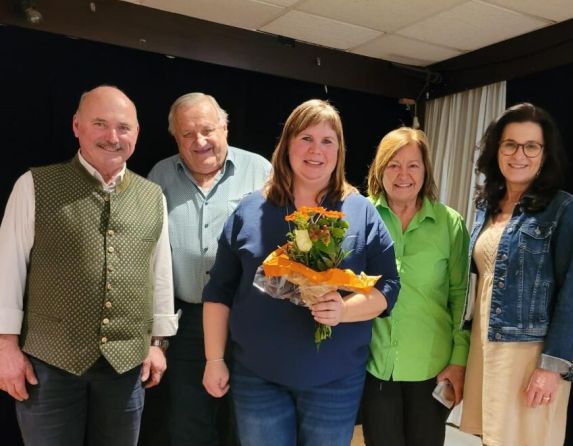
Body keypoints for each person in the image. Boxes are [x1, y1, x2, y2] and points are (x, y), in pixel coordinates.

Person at [201, 99, 401, 446]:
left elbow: (389, 287)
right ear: (287, 144)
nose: (316, 150)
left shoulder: (361, 212)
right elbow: (219, 291)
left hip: (335, 381)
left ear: (339, 150)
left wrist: (343, 311)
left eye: (327, 141)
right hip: (258, 378)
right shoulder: (249, 211)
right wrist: (214, 359)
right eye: (306, 138)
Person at [0, 85, 178, 445]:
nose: (112, 137)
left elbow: (160, 274)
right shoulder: (34, 185)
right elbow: (8, 268)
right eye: (100, 124)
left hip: (126, 368)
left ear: (137, 133)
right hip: (48, 365)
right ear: (76, 126)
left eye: (123, 127)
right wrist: (5, 348)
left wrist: (158, 343)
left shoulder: (152, 196)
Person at [459, 103, 573, 446]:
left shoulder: (563, 209)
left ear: (545, 154)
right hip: (485, 347)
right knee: (491, 438)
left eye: (531, 146)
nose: (519, 155)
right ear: (496, 150)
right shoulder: (486, 207)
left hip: (529, 355)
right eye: (510, 144)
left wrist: (552, 365)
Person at [146, 92, 271, 445]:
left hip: (247, 319)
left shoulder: (261, 171)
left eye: (207, 130)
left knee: (245, 422)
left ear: (225, 128)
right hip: (186, 323)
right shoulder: (160, 175)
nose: (199, 141)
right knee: (187, 423)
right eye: (187, 134)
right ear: (176, 138)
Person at [361, 127, 469, 446]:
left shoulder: (450, 224)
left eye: (413, 165)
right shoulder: (361, 216)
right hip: (374, 366)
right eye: (393, 165)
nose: (403, 175)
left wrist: (459, 360)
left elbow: (461, 298)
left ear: (425, 171)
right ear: (380, 170)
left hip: (432, 369)